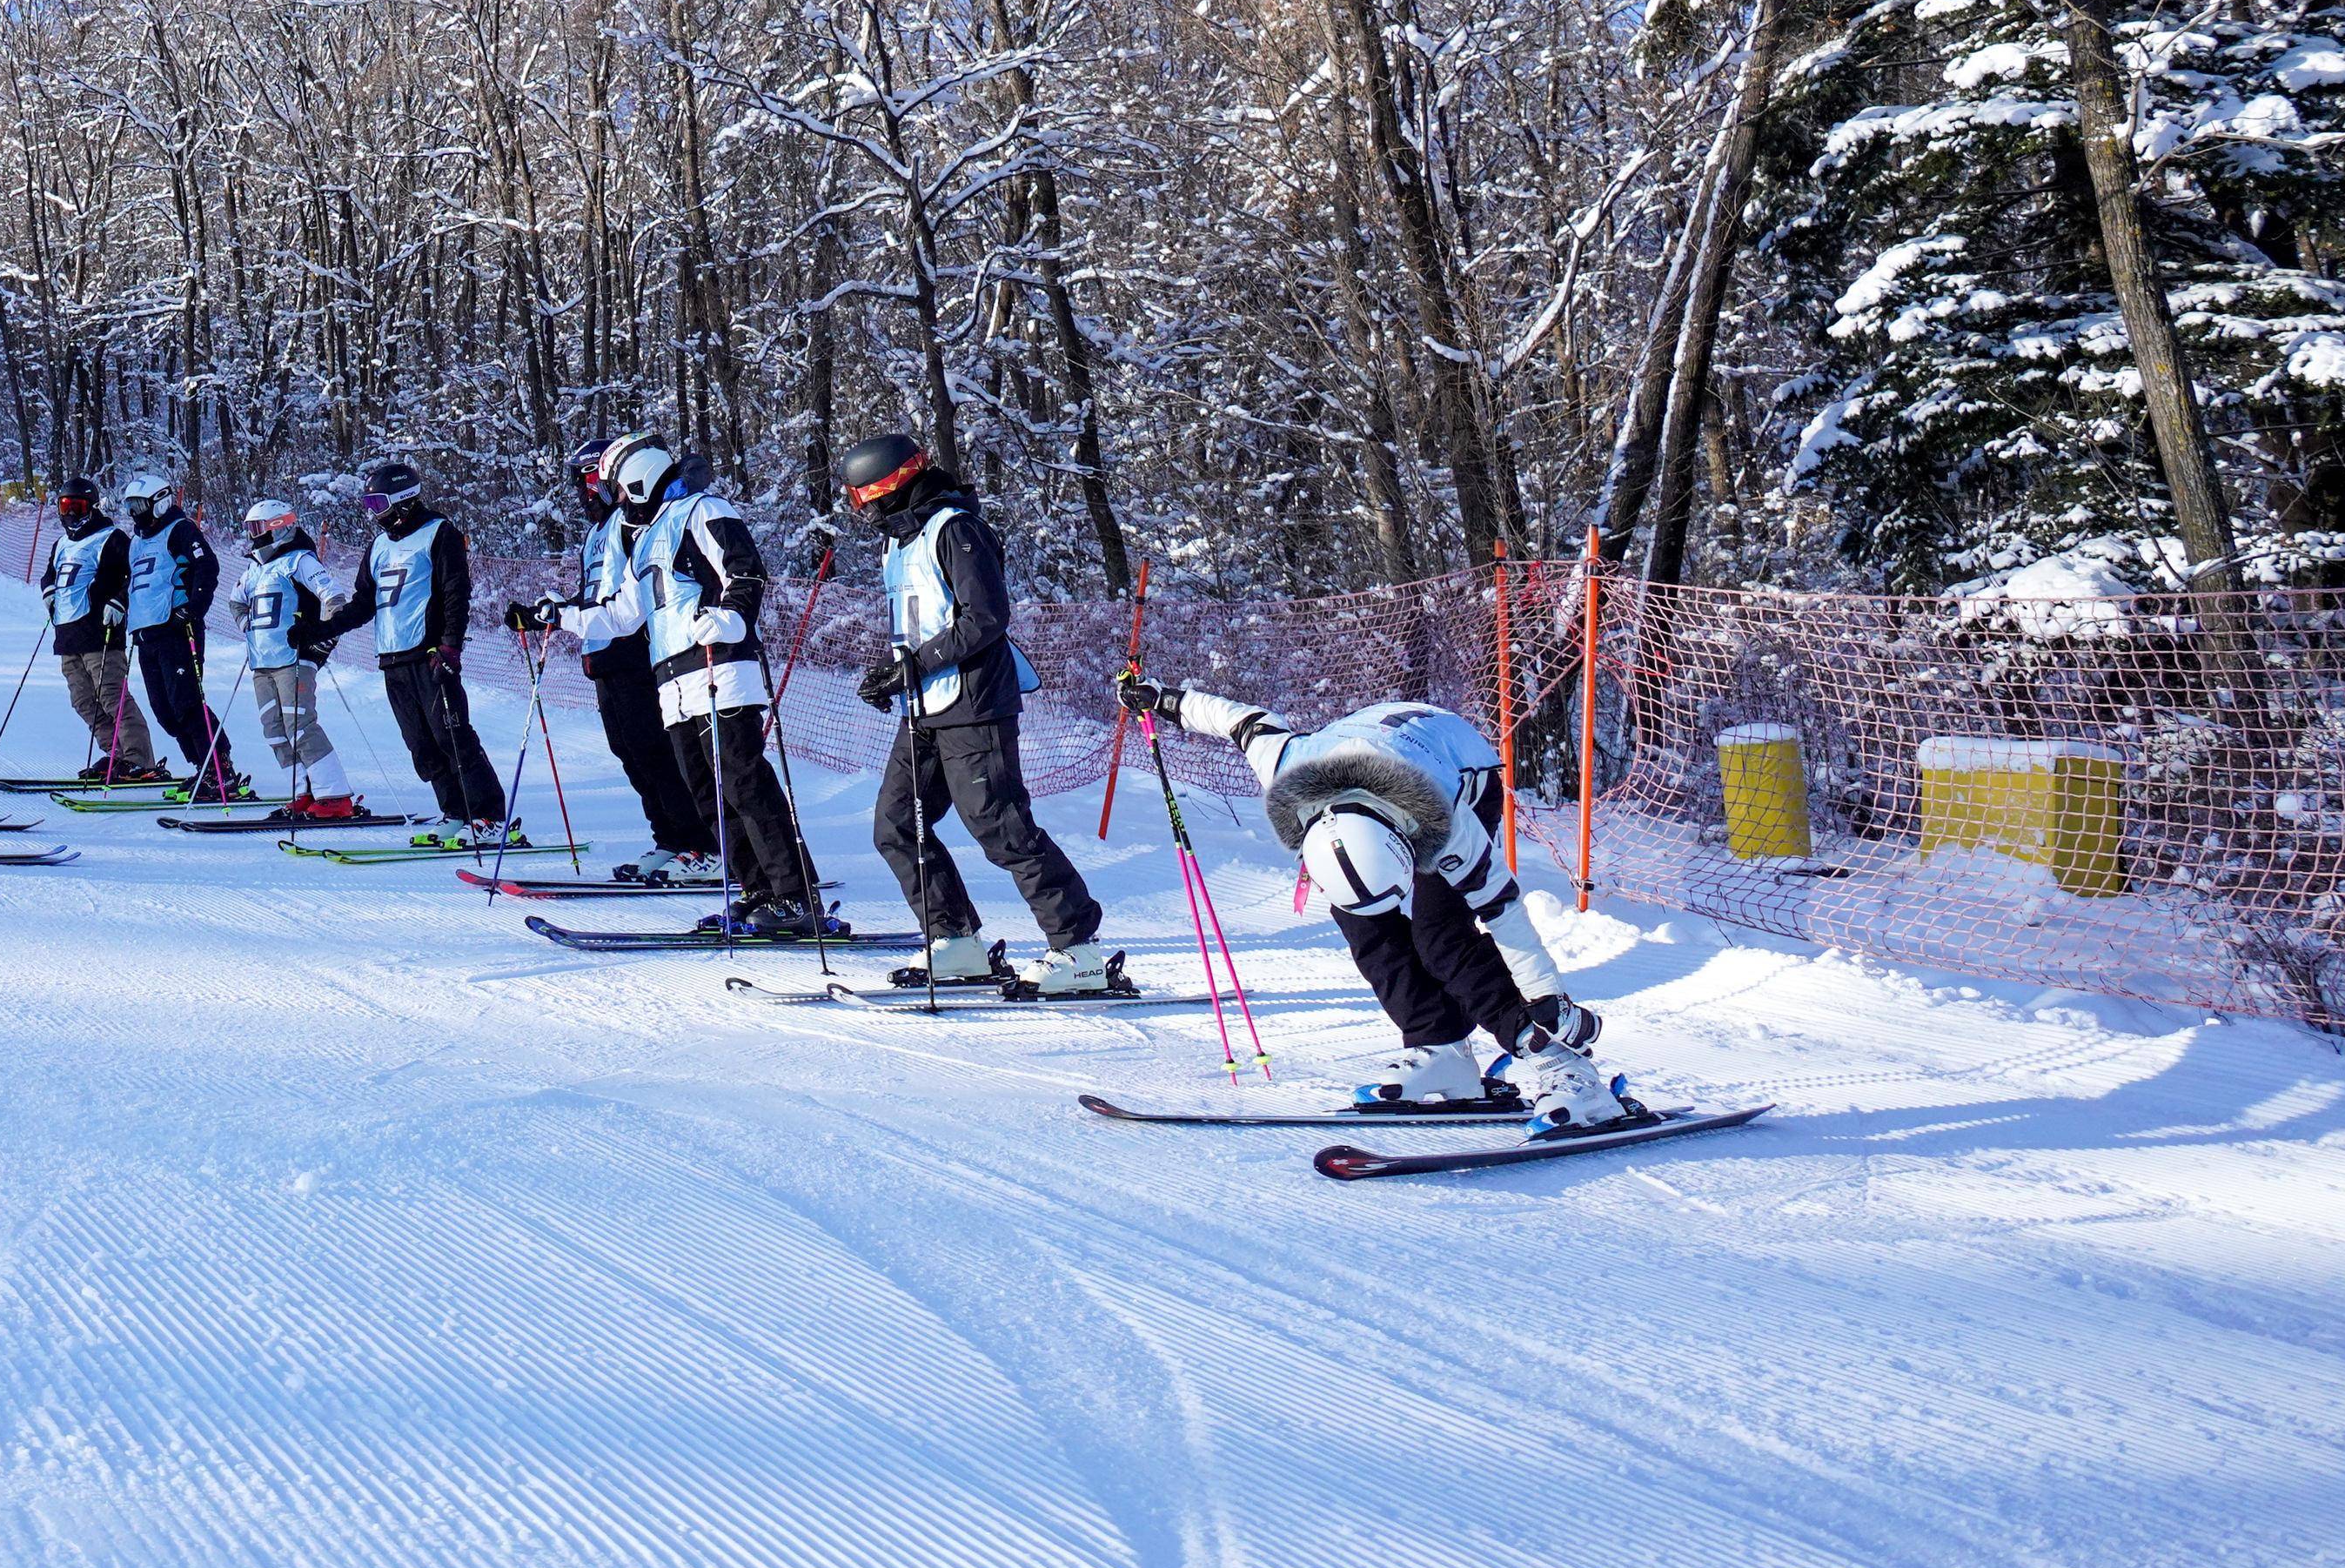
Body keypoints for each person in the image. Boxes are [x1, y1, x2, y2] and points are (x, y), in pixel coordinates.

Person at [1114, 672, 1632, 1133]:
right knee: (1366, 926)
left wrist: (1548, 998)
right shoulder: (1288, 766)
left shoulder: (1450, 827)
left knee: (1441, 934)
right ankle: (1442, 1048)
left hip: (1453, 765)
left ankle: (1564, 1066)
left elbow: (1505, 913)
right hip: (1364, 768)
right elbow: (1240, 721)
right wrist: (1164, 700)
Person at [838, 430, 1110, 996]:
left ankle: (1078, 947)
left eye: (865, 498)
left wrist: (913, 666)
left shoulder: (955, 529)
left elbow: (985, 618)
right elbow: (920, 622)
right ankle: (956, 940)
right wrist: (893, 674)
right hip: (926, 706)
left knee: (1000, 827)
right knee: (896, 824)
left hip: (974, 703)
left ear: (891, 486)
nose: (863, 512)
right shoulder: (899, 541)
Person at [555, 436, 828, 937]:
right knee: (708, 795)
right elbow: (622, 613)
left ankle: (796, 896)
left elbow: (745, 569)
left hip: (719, 665)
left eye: (616, 486)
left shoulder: (702, 510)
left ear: (637, 477)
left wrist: (731, 617)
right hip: (672, 682)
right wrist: (564, 616)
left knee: (745, 782)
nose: (614, 497)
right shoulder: (644, 536)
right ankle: (757, 890)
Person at [506, 437, 711, 881]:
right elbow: (592, 596)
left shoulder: (628, 522)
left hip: (634, 648)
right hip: (603, 655)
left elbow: (637, 591)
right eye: (580, 481)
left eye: (592, 479)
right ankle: (670, 839)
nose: (586, 490)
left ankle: (700, 843)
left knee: (657, 751)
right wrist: (548, 614)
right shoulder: (594, 534)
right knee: (630, 753)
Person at [312, 458, 509, 841]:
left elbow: (456, 593)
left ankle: (489, 816)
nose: (375, 515)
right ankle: (453, 810)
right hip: (393, 659)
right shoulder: (380, 546)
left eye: (379, 505)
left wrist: (450, 646)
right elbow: (364, 602)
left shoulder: (439, 533)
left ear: (403, 501)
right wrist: (321, 629)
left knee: (453, 736)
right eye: (369, 506)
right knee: (421, 745)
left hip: (430, 655)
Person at [232, 498, 367, 824]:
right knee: (274, 730)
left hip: (294, 657)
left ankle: (334, 795)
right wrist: (247, 626)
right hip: (261, 662)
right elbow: (236, 602)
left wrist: (324, 638)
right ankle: (303, 791)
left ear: (280, 527)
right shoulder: (254, 569)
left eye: (259, 529)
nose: (254, 536)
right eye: (251, 529)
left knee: (300, 726)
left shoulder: (300, 560)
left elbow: (333, 596)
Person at [117, 470, 245, 799]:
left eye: (139, 506)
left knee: (187, 702)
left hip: (177, 630)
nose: (135, 514)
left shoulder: (180, 529)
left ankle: (220, 768)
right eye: (130, 507)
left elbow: (207, 566)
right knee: (165, 712)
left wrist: (193, 607)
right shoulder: (137, 542)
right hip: (146, 634)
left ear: (159, 503)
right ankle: (202, 768)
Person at [37, 472, 162, 781]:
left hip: (101, 631)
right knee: (82, 701)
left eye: (76, 507)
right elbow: (50, 574)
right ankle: (116, 753)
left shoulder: (112, 538)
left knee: (111, 696)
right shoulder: (62, 543)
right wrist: (49, 591)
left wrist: (119, 601)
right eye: (64, 506)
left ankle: (139, 759)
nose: (70, 514)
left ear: (91, 507)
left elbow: (135, 575)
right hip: (68, 634)